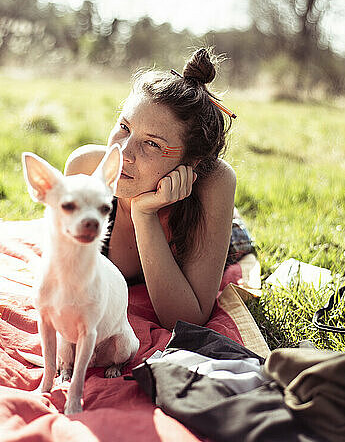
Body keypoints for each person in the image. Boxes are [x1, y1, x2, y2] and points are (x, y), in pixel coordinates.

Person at [64, 48, 256, 330]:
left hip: (216, 229)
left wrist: (144, 214)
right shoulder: (85, 168)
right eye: (124, 127)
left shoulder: (213, 183)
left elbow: (187, 319)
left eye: (152, 143)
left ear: (191, 163)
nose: (123, 152)